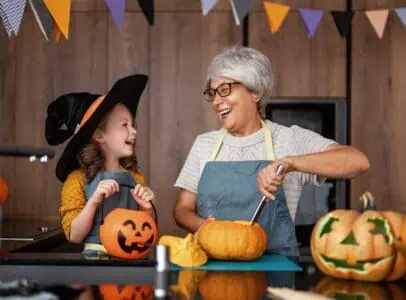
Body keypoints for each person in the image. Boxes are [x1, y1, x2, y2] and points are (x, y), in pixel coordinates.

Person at [173, 46, 370, 258]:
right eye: (212, 93)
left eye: (225, 89)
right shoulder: (204, 144)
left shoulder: (289, 140)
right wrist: (210, 230)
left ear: (256, 91)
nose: (216, 101)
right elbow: (182, 210)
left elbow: (358, 161)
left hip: (276, 272)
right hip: (211, 266)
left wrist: (290, 164)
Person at [45, 75, 156, 257]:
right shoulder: (77, 180)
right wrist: (94, 201)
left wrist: (147, 208)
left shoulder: (135, 179)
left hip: (131, 264)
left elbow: (147, 236)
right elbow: (74, 236)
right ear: (100, 136)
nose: (133, 130)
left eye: (133, 125)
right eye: (124, 125)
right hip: (95, 266)